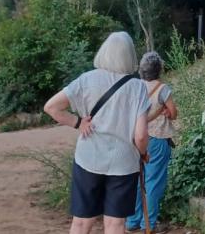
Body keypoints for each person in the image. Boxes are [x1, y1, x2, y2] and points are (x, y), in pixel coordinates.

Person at [43, 32, 149, 234]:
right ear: (130, 56)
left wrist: (77, 122)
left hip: (88, 159)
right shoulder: (138, 88)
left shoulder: (86, 80)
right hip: (124, 163)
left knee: (81, 222)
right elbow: (141, 136)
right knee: (115, 224)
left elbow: (51, 107)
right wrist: (143, 154)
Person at [126, 52, 178, 234]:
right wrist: (163, 111)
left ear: (141, 70)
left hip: (135, 138)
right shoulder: (163, 89)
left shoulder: (135, 87)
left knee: (136, 180)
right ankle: (149, 225)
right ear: (159, 69)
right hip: (157, 139)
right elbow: (173, 113)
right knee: (153, 182)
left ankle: (132, 221)